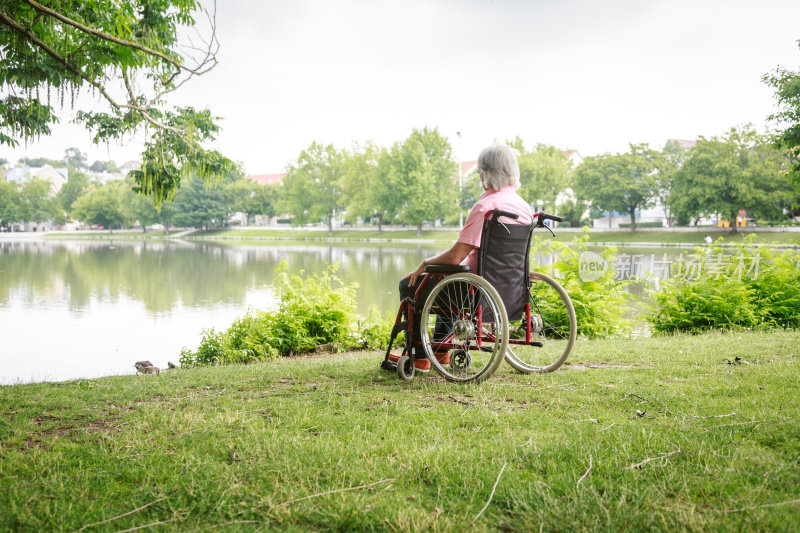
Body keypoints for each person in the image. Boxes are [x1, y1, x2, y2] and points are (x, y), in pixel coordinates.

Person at [398, 144, 534, 371]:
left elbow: (454, 256)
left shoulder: (486, 206)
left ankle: (420, 355)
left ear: (486, 172)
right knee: (449, 282)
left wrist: (424, 263)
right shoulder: (524, 207)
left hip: (475, 290)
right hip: (508, 289)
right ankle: (440, 352)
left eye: (480, 172)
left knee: (410, 284)